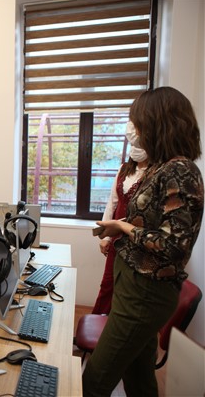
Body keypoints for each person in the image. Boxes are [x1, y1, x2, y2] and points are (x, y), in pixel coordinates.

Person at [83, 86, 204, 397]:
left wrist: (123, 227)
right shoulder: (158, 169)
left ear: (158, 123)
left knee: (95, 379)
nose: (134, 131)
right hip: (134, 284)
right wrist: (119, 228)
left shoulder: (180, 171)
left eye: (138, 122)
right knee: (138, 377)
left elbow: (173, 245)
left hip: (146, 292)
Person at [92, 132, 148, 315]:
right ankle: (98, 321)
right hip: (116, 235)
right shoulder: (124, 169)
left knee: (128, 288)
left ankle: (116, 323)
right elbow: (112, 203)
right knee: (108, 283)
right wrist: (106, 236)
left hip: (137, 239)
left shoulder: (155, 174)